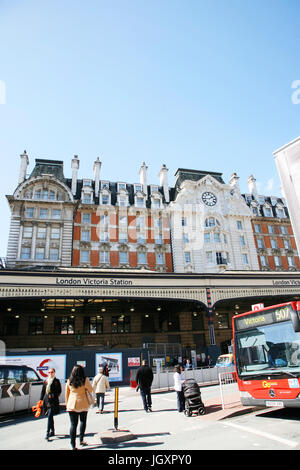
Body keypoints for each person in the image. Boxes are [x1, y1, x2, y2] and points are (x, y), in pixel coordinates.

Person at [65, 365, 93, 450]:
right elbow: (91, 390)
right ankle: (81, 439)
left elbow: (67, 393)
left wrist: (67, 404)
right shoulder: (85, 380)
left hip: (72, 404)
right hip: (83, 403)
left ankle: (73, 445)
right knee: (83, 422)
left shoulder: (69, 380)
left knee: (73, 425)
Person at [40, 367, 62, 440]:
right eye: (49, 372)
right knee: (50, 416)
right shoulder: (46, 381)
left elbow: (59, 390)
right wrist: (40, 400)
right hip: (46, 400)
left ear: (54, 372)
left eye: (52, 372)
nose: (50, 373)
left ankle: (47, 432)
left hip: (53, 401)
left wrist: (53, 395)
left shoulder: (56, 381)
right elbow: (43, 391)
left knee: (49, 415)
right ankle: (52, 431)